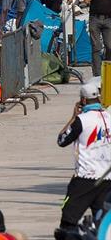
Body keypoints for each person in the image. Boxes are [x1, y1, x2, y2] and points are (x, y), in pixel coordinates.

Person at [56, 82, 111, 231]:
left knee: (68, 219)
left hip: (86, 178)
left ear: (84, 100)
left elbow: (61, 140)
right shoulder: (109, 116)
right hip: (107, 178)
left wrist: (74, 117)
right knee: (103, 223)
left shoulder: (82, 120)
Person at [85, 0, 111, 77]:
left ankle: (108, 72)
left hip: (108, 19)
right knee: (96, 48)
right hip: (95, 19)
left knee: (109, 46)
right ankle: (97, 75)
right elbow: (86, 0)